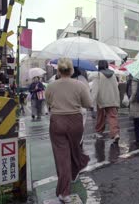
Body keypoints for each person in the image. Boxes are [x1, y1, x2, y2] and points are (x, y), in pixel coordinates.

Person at [45, 58, 92, 203]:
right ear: (71, 70)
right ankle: (78, 167)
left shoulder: (51, 86)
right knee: (74, 150)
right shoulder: (80, 85)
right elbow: (88, 103)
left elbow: (48, 104)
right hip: (75, 122)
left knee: (62, 157)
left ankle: (64, 191)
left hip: (57, 121)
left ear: (58, 71)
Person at [91, 60, 121, 142]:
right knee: (112, 117)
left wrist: (90, 102)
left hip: (101, 99)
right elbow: (116, 88)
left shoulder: (98, 75)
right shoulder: (113, 75)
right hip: (112, 99)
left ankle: (99, 132)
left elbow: (95, 90)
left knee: (100, 117)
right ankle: (115, 134)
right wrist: (117, 100)